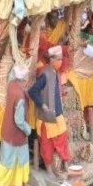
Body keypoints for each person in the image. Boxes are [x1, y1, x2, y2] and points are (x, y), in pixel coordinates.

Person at [29, 46, 71, 178]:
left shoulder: (55, 72)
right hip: (47, 116)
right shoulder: (45, 74)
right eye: (58, 59)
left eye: (61, 59)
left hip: (57, 113)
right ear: (51, 59)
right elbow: (32, 91)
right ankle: (48, 169)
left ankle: (65, 162)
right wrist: (42, 105)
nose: (60, 62)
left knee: (63, 137)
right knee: (46, 144)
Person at [0, 65, 32, 186]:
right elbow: (19, 120)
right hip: (16, 134)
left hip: (8, 132)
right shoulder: (20, 95)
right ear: (24, 78)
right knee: (10, 162)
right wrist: (28, 130)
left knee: (14, 160)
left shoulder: (11, 85)